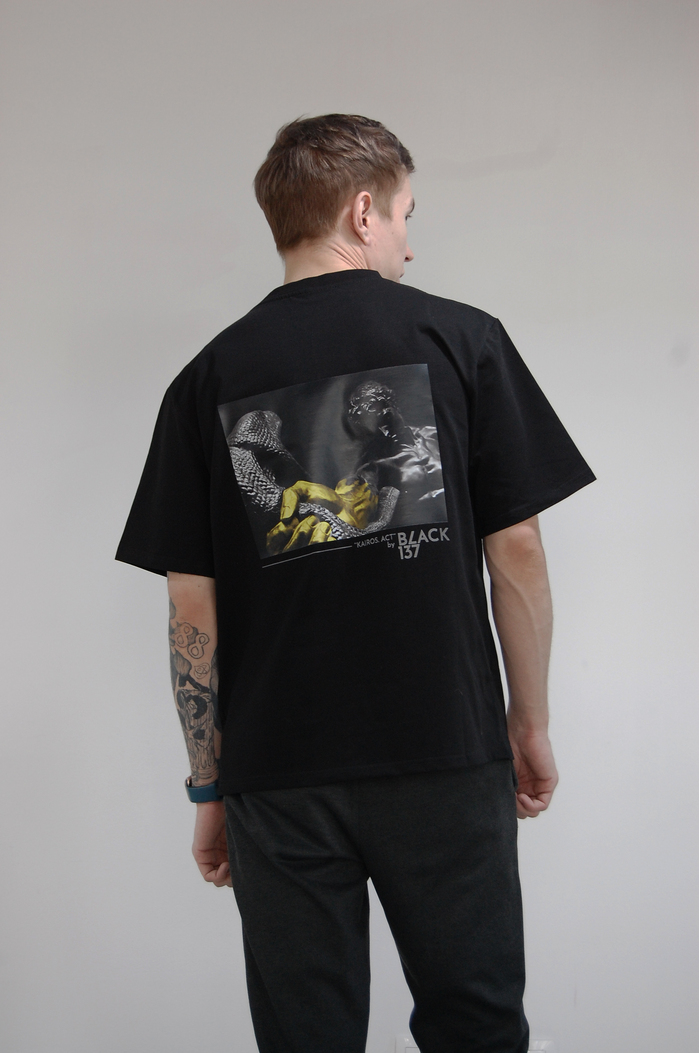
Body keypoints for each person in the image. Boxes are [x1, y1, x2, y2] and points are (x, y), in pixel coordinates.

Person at [116, 114, 595, 1053]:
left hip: (278, 772)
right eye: (407, 216)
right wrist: (528, 721)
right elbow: (519, 550)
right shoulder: (462, 339)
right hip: (444, 749)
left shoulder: (204, 380)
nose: (410, 245)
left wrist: (209, 785)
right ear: (363, 211)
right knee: (476, 1026)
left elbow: (189, 603)